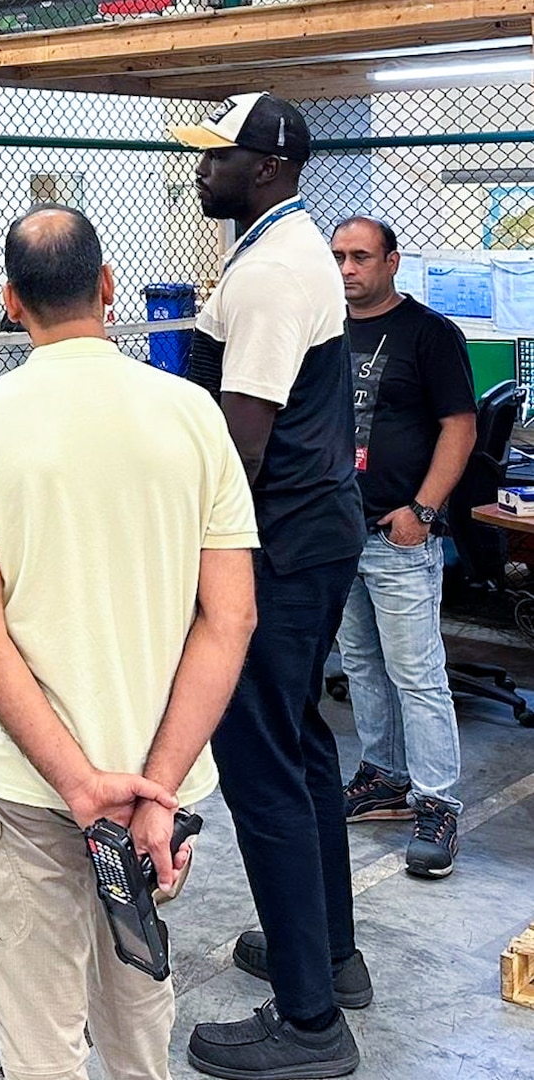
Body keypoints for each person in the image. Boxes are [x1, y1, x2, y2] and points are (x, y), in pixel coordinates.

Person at [0, 206, 258, 1080]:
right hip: (154, 796)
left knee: (41, 1041)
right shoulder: (193, 414)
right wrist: (158, 786)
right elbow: (230, 618)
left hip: (26, 789)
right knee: (137, 1010)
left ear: (9, 301)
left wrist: (77, 785)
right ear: (109, 289)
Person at [173, 93, 368, 1078]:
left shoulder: (273, 274)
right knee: (300, 745)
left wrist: (181, 563)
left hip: (280, 547)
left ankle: (309, 1024)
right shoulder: (282, 251)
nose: (201, 170)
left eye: (217, 156)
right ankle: (328, 957)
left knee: (260, 767)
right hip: (315, 534)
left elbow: (235, 447)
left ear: (267, 167)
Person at [331, 216, 476, 877]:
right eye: (338, 257)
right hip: (340, 530)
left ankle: (437, 802)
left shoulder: (430, 335)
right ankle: (384, 777)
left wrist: (423, 510)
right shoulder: (325, 332)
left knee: (417, 676)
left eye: (361, 256)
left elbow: (459, 428)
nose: (347, 269)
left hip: (399, 536)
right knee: (361, 665)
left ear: (392, 261)